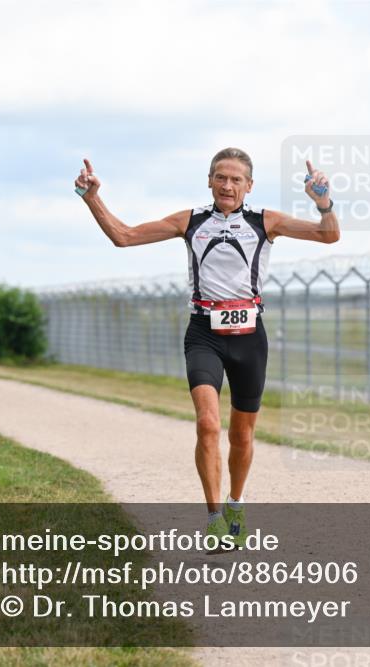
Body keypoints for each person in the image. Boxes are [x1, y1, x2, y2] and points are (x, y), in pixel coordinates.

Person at [75, 148, 340, 549]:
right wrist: (92, 197)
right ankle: (215, 517)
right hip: (205, 333)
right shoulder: (190, 221)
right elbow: (124, 237)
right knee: (207, 424)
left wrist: (323, 203)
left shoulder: (265, 221)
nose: (228, 185)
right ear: (210, 181)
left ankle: (237, 503)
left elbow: (329, 234)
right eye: (221, 177)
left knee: (242, 436)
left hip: (250, 336)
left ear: (249, 186)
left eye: (236, 179)